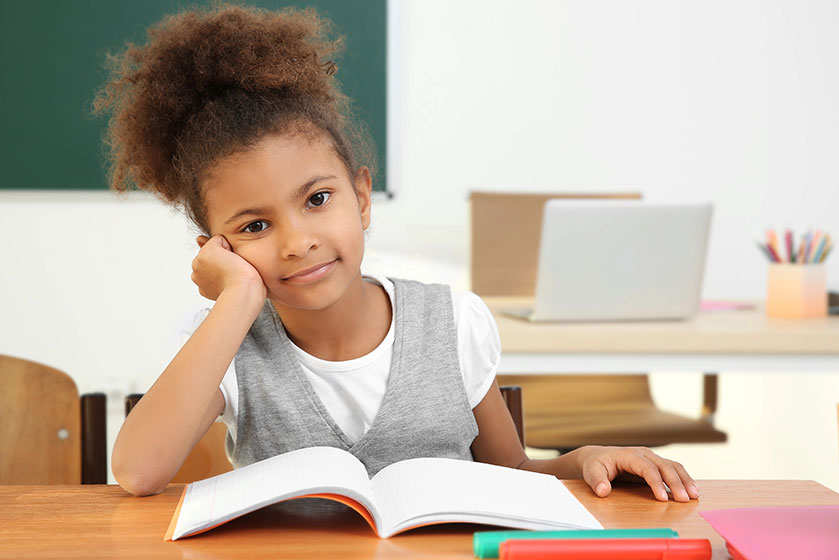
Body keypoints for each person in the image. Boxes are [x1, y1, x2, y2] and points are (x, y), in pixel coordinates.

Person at [95, 3, 698, 502]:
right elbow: (140, 471)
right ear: (216, 251)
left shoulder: (452, 324)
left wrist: (581, 458)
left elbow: (510, 474)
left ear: (361, 197)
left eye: (317, 199)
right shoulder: (226, 347)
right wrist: (238, 297)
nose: (297, 240)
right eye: (254, 226)